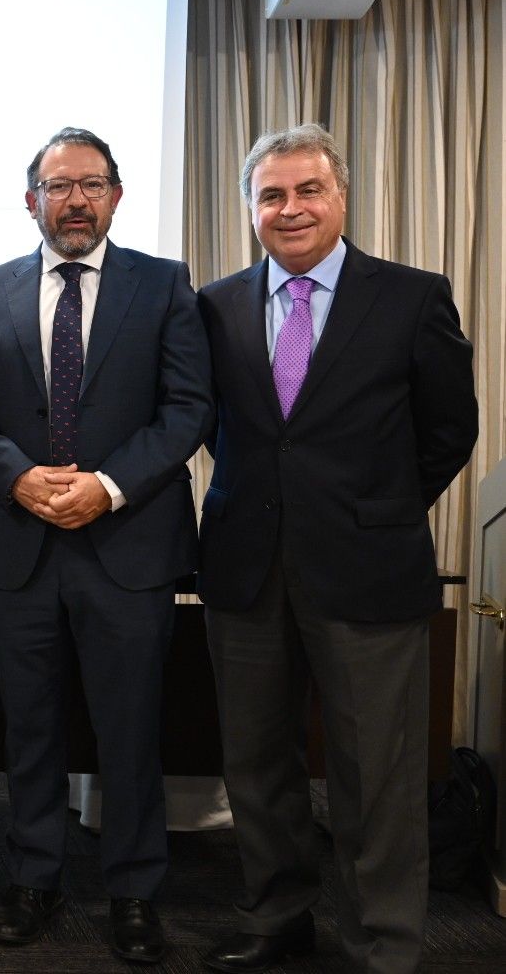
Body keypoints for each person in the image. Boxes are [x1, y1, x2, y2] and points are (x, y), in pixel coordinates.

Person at [197, 124, 477, 974]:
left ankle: (382, 942)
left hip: (368, 569)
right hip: (246, 567)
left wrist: (375, 509)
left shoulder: (411, 297)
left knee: (378, 776)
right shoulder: (214, 305)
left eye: (307, 190)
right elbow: (211, 425)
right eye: (272, 195)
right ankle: (275, 917)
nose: (291, 209)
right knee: (256, 765)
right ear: (250, 208)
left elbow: (449, 431)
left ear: (341, 198)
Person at [0, 127, 212, 963]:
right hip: (18, 542)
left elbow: (187, 409)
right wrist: (20, 478)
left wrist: (104, 487)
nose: (74, 200)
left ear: (116, 196)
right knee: (29, 726)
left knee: (129, 727)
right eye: (58, 186)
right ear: (31, 199)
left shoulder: (164, 284)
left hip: (128, 541)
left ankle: (134, 890)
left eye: (91, 185)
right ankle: (33, 876)